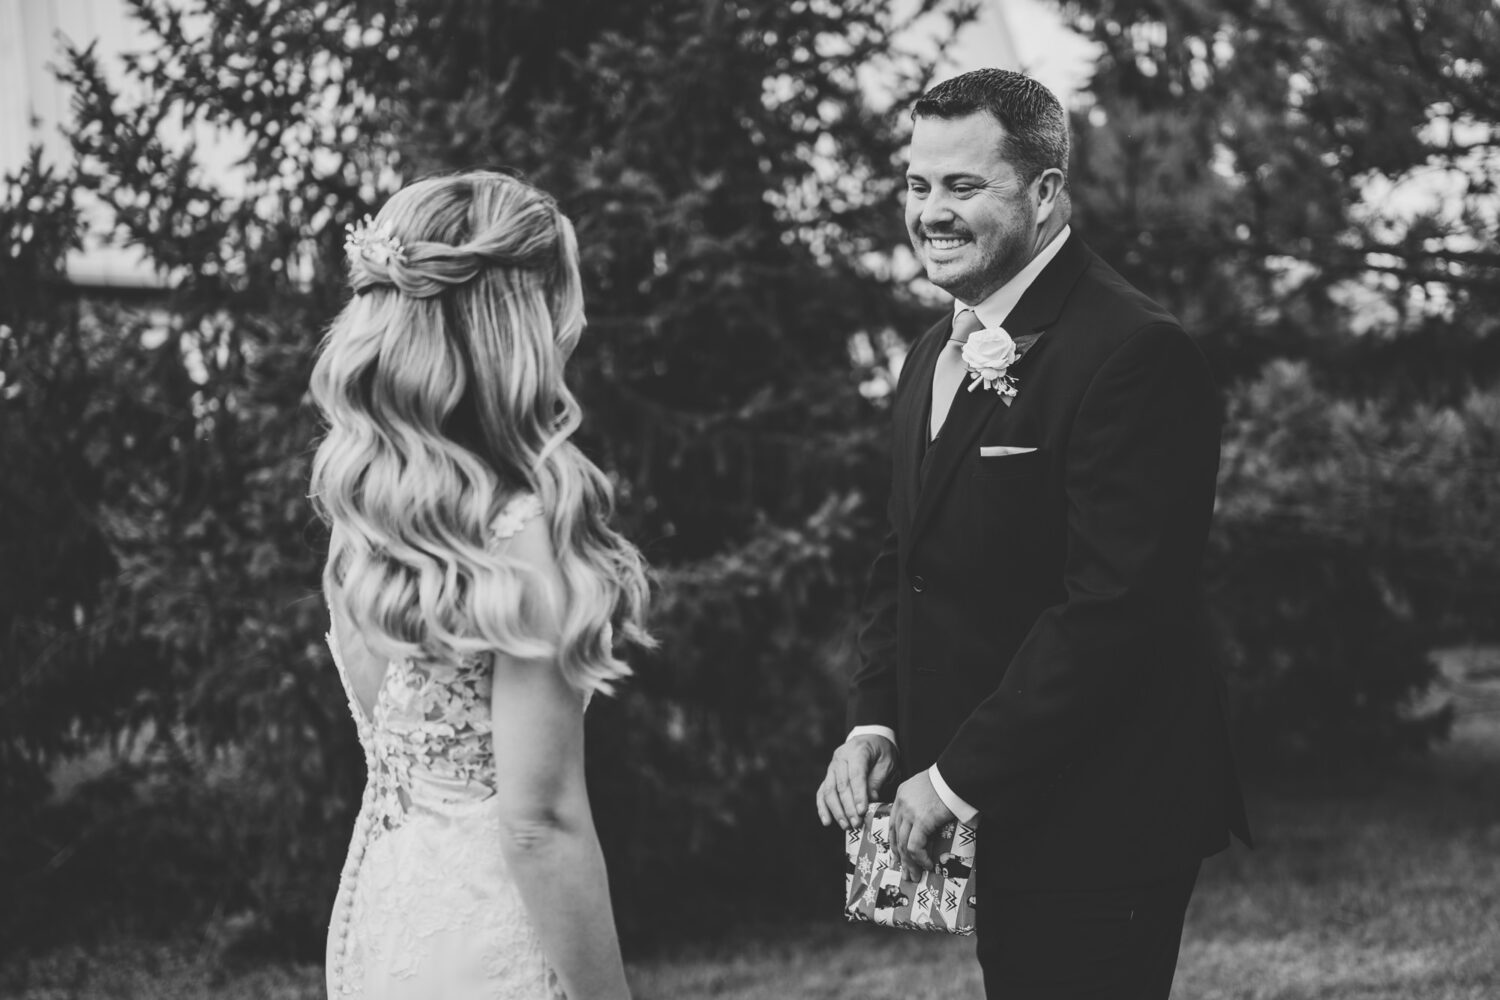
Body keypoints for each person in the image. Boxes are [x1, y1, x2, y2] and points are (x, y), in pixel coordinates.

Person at [815, 69, 1251, 998]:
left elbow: (1117, 609)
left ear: (1046, 192)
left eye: (963, 186)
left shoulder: (1134, 353)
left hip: (1103, 815)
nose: (930, 212)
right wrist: (876, 720)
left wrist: (955, 779)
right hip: (994, 803)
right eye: (918, 185)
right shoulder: (935, 349)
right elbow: (907, 554)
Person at [310, 171, 651, 1000]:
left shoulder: (367, 515)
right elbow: (541, 825)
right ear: (518, 321)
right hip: (498, 935)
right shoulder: (520, 533)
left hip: (386, 920)